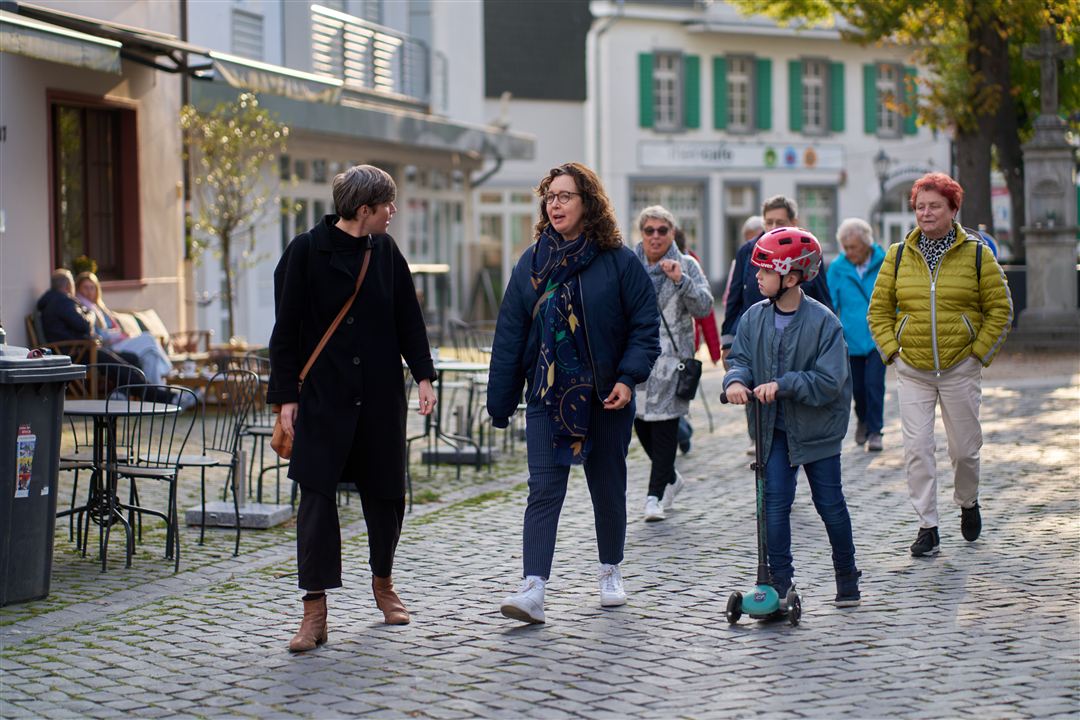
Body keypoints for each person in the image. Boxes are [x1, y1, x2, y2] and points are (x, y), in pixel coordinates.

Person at [268, 164, 438, 651]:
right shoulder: (305, 252)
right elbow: (286, 332)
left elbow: (408, 316)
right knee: (316, 502)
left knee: (386, 497)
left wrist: (423, 376)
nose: (393, 212)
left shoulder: (385, 251)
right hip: (323, 398)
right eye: (388, 205)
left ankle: (383, 584)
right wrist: (285, 399)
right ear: (364, 210)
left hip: (380, 397)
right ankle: (314, 613)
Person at [487, 162, 660, 624]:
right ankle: (533, 589)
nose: (555, 204)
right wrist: (500, 401)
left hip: (605, 397)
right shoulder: (531, 262)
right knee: (543, 489)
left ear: (588, 204)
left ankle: (610, 571)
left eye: (565, 196)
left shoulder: (619, 261)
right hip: (547, 395)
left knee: (607, 486)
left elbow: (645, 328)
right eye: (550, 196)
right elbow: (509, 333)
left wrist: (627, 379)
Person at [867, 172, 1012, 558]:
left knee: (964, 450)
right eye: (919, 207)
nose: (926, 213)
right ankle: (927, 525)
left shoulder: (978, 254)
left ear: (953, 209)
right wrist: (892, 352)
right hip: (912, 368)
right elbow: (878, 311)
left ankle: (968, 500)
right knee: (916, 447)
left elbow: (1001, 309)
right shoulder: (897, 255)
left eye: (934, 206)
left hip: (959, 367)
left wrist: (978, 353)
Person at [723, 226, 861, 608]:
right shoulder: (753, 318)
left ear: (792, 277)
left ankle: (846, 573)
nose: (757, 277)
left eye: (765, 271)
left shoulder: (824, 323)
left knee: (829, 504)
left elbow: (830, 381)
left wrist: (783, 384)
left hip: (817, 431)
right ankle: (779, 583)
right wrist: (736, 380)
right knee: (774, 505)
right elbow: (742, 359)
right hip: (773, 430)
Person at [634, 208, 714, 521]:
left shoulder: (687, 265)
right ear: (641, 233)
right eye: (649, 230)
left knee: (666, 427)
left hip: (672, 364)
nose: (656, 236)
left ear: (672, 233)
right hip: (638, 360)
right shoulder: (629, 264)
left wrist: (681, 280)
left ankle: (653, 498)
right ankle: (669, 477)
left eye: (662, 230)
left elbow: (705, 306)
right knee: (640, 423)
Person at [721, 196, 834, 366]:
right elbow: (734, 299)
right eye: (768, 222)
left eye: (780, 222)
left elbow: (822, 297)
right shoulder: (748, 250)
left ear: (793, 222)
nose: (773, 228)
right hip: (754, 338)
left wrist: (829, 338)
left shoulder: (806, 252)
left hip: (797, 340)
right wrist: (728, 342)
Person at [827, 219, 887, 452]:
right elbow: (830, 305)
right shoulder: (838, 268)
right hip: (849, 340)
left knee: (874, 384)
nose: (849, 252)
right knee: (858, 389)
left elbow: (895, 297)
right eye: (845, 248)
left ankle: (875, 431)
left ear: (866, 244)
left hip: (877, 338)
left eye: (853, 247)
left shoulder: (884, 262)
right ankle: (862, 419)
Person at [74, 272, 173, 386]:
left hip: (119, 341)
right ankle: (169, 370)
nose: (89, 291)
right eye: (85, 287)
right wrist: (117, 335)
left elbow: (114, 327)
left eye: (92, 288)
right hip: (109, 347)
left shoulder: (99, 308)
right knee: (148, 338)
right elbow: (98, 334)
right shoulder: (83, 309)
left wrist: (122, 334)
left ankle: (157, 390)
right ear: (78, 289)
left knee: (150, 356)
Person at [673, 226, 721, 455]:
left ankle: (681, 432)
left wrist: (714, 350)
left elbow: (706, 312)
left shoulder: (690, 264)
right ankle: (679, 432)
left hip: (685, 344)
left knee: (678, 393)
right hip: (655, 346)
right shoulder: (647, 263)